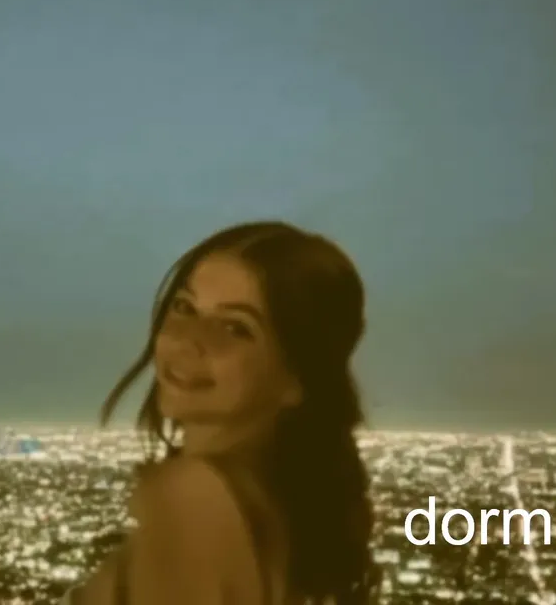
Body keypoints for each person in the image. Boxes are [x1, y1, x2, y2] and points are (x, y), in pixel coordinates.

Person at [62, 221, 378, 605]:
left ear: (297, 378)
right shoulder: (279, 509)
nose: (187, 339)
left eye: (234, 328)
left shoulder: (194, 499)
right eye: (184, 307)